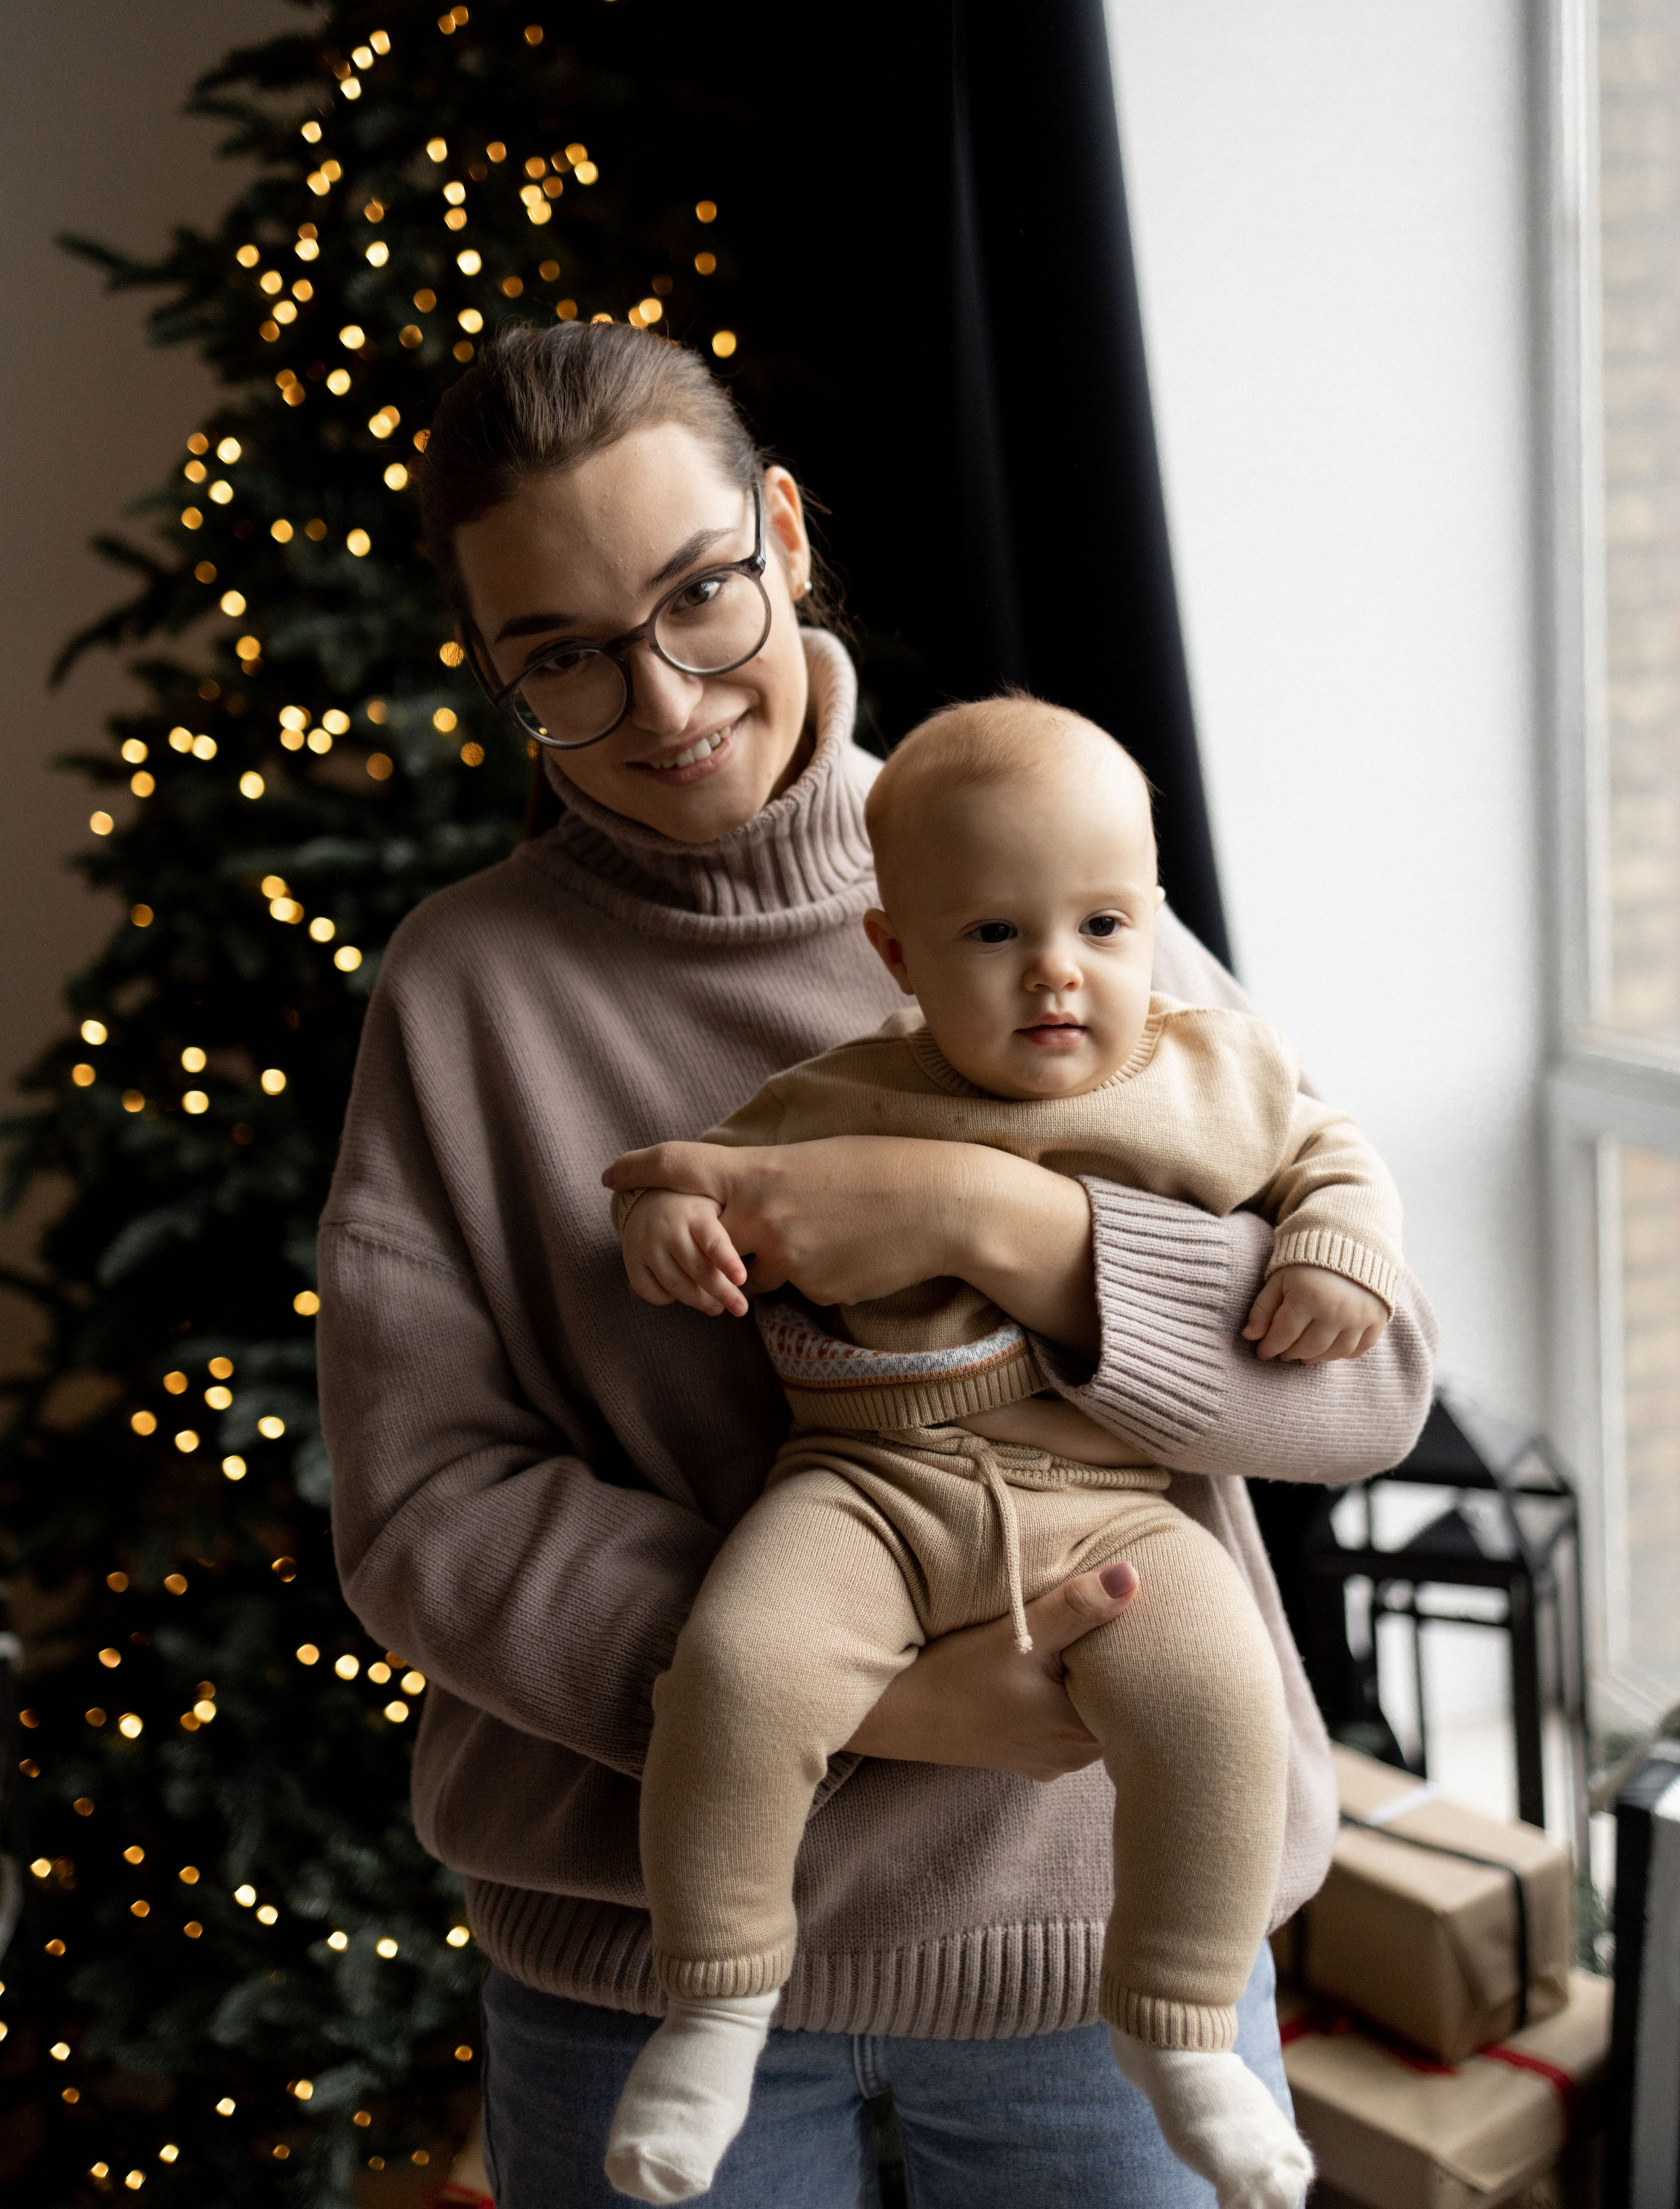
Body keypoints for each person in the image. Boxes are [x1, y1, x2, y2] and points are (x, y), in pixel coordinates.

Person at [318, 321, 1438, 2209]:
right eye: (563, 657)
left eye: (698, 595)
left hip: (1094, 1942)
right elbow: (424, 1510)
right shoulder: (463, 990)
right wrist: (855, 1690)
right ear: (492, 665)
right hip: (634, 1961)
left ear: (782, 532)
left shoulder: (1032, 858)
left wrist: (992, 1224)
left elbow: (1368, 1381)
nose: (664, 701)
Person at [603, 698, 1400, 2207]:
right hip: (865, 1494)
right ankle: (715, 2000)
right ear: (896, 953)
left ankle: (1176, 2024)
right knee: (741, 1669)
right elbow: (682, 1175)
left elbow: (1333, 1156)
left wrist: (1335, 1247)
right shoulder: (841, 1093)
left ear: (1150, 920)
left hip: (1106, 1509)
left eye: (1100, 924)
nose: (1054, 970)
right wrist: (667, 1223)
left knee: (1217, 1695)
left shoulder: (1209, 1074)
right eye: (990, 935)